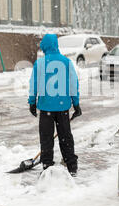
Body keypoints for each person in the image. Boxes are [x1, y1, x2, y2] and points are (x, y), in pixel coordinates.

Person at [28, 34, 82, 177]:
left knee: (46, 138)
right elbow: (73, 84)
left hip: (46, 108)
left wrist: (32, 102)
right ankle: (71, 165)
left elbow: (33, 84)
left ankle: (47, 165)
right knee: (65, 137)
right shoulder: (66, 62)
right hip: (62, 107)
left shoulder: (39, 63)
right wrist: (76, 104)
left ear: (45, 46)